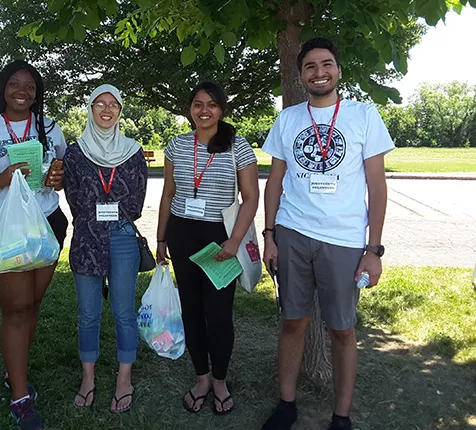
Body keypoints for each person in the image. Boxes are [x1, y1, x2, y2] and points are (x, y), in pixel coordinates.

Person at [260, 38, 393, 430]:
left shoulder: (363, 115)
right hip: (293, 232)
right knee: (292, 322)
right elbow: (275, 182)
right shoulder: (288, 119)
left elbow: (377, 185)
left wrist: (374, 249)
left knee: (342, 328)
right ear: (300, 76)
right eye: (310, 67)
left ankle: (341, 415)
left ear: (338, 70)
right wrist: (269, 235)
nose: (319, 72)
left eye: (327, 64)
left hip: (345, 239)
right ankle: (286, 405)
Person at [0, 60, 67, 430]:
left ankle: (16, 372)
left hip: (47, 223)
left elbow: (61, 172)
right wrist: (5, 177)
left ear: (37, 92)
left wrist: (57, 176)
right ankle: (21, 398)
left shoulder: (51, 128)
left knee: (33, 303)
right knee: (17, 308)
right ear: (2, 89)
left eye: (30, 85)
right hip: (6, 227)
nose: (22, 91)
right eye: (14, 84)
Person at [155, 82, 259, 415]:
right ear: (189, 109)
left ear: (221, 110)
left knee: (218, 314)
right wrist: (160, 239)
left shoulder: (238, 147)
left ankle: (220, 380)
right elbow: (168, 195)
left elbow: (251, 198)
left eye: (212, 105)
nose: (204, 111)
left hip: (220, 237)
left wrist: (234, 241)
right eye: (198, 104)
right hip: (183, 233)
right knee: (192, 310)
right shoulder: (177, 146)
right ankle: (201, 377)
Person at [63, 84, 147, 413]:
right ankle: (88, 378)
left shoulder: (133, 150)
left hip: (123, 237)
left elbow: (137, 202)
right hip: (86, 239)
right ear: (90, 108)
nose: (107, 109)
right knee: (87, 314)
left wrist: (107, 208)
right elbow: (73, 198)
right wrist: (98, 210)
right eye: (100, 103)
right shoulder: (75, 151)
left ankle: (124, 379)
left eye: (114, 104)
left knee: (124, 312)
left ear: (121, 110)